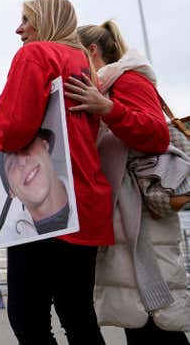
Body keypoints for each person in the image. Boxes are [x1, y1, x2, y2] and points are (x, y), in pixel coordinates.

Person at [0, 0, 113, 344]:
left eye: (26, 20)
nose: (19, 29)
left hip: (48, 212)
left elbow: (15, 129)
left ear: (47, 22)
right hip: (86, 199)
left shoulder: (35, 55)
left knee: (27, 316)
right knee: (77, 313)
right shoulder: (83, 63)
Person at [64, 20, 189, 344]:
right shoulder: (105, 85)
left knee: (156, 314)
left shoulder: (128, 79)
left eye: (75, 54)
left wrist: (108, 108)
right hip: (125, 207)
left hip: (142, 210)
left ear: (91, 51)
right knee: (137, 313)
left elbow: (156, 134)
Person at [0, 128, 71, 237]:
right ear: (11, 191)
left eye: (27, 144)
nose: (22, 161)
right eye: (11, 163)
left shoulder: (90, 196)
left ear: (45, 146)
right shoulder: (8, 238)